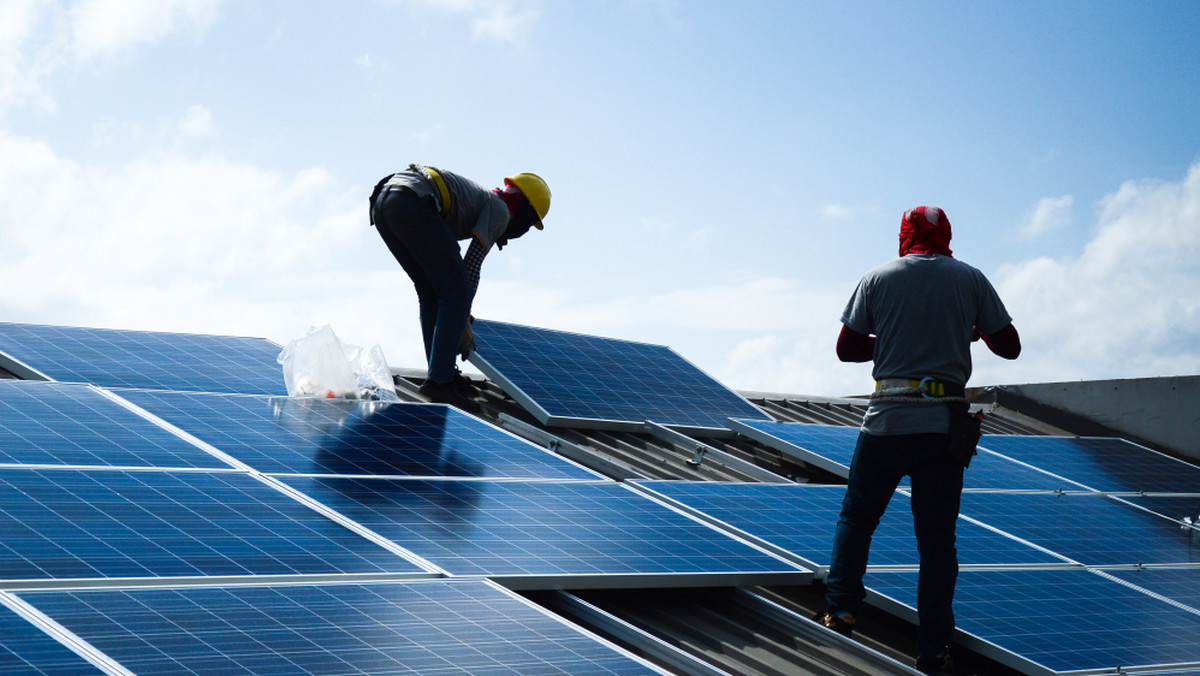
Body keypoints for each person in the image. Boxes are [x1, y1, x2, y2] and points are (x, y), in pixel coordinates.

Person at [817, 206, 1021, 675]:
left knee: (858, 517)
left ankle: (841, 608)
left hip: (886, 421)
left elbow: (847, 349)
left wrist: (892, 338)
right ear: (947, 235)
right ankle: (932, 646)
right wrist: (961, 333)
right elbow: (1009, 346)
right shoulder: (969, 279)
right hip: (942, 427)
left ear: (904, 236)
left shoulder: (877, 278)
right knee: (935, 541)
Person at [369, 164, 550, 413]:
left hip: (385, 202)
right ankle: (440, 381)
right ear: (523, 210)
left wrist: (460, 311)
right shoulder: (500, 209)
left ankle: (440, 374)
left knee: (431, 290)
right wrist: (462, 315)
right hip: (413, 200)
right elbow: (471, 265)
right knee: (455, 293)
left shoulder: (481, 201)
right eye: (530, 223)